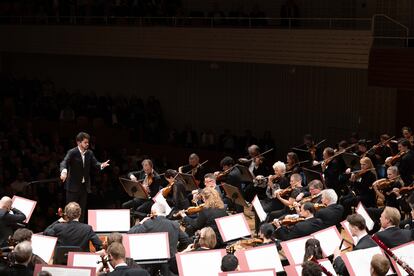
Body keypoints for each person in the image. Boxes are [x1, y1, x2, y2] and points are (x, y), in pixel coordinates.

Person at [128, 202, 191, 275]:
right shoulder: (174, 224)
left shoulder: (148, 223)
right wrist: (177, 249)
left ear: (153, 212)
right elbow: (186, 240)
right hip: (170, 265)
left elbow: (130, 233)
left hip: (150, 265)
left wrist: (141, 222)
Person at [60, 132, 110, 221]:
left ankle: (80, 230)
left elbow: (95, 163)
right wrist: (64, 172)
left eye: (88, 142)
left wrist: (101, 165)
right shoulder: (72, 152)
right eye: (85, 142)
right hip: (72, 187)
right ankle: (68, 230)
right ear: (78, 143)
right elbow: (64, 162)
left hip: (84, 187)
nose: (87, 144)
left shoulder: (89, 153)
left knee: (81, 210)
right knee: (69, 211)